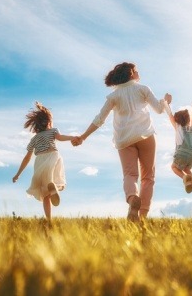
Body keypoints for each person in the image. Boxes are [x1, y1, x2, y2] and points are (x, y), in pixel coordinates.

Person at [73, 62, 171, 222]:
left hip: (125, 139)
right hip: (146, 135)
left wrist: (83, 136)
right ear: (131, 74)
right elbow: (159, 110)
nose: (139, 73)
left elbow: (99, 119)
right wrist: (166, 101)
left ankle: (132, 199)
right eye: (136, 70)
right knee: (148, 177)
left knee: (130, 174)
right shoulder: (143, 89)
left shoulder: (113, 96)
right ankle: (143, 217)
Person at [12, 101, 78, 223]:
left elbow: (27, 157)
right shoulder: (53, 131)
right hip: (53, 157)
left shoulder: (34, 139)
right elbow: (61, 137)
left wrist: (18, 174)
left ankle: (49, 219)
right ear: (49, 121)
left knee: (44, 194)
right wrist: (72, 138)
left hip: (40, 162)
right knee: (57, 180)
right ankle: (54, 189)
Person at [164, 100, 192, 193]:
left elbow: (170, 115)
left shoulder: (178, 128)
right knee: (186, 168)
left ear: (177, 121)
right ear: (188, 120)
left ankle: (184, 177)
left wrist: (166, 103)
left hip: (181, 154)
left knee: (174, 167)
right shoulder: (191, 129)